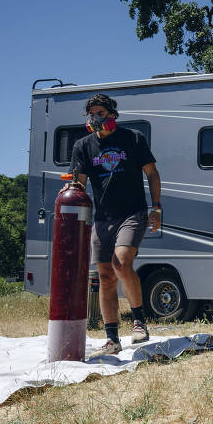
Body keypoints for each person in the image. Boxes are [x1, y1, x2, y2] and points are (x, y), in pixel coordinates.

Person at [65, 94, 162, 357]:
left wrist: (156, 207)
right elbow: (80, 183)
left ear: (112, 115)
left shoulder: (133, 139)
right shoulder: (82, 146)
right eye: (91, 114)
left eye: (100, 113)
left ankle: (139, 322)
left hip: (133, 212)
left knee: (121, 263)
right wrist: (72, 189)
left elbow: (152, 173)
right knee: (105, 276)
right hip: (102, 218)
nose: (95, 118)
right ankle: (112, 339)